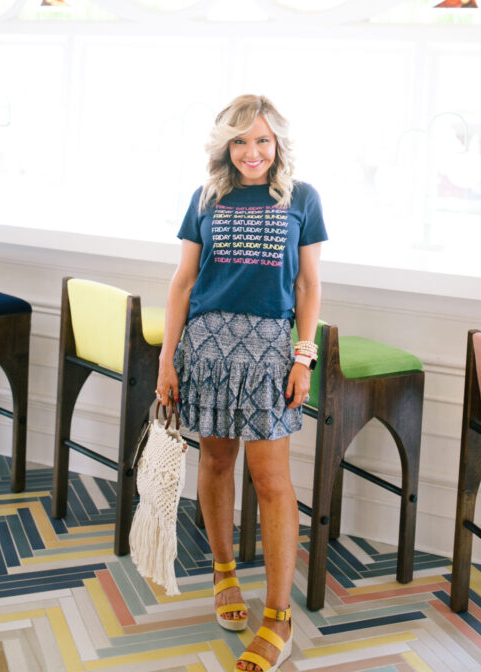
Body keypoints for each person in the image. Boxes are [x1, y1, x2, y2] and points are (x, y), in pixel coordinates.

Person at [156, 94, 327, 672]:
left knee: (273, 480)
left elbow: (308, 287)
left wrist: (303, 357)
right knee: (214, 465)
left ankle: (278, 618)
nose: (251, 152)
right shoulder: (205, 198)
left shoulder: (302, 198)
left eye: (261, 140)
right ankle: (223, 571)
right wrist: (166, 358)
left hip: (270, 353)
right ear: (225, 146)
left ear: (277, 143)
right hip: (205, 348)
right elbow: (183, 282)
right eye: (240, 141)